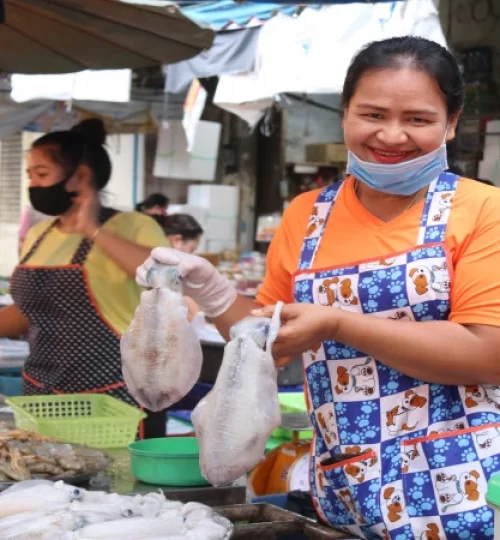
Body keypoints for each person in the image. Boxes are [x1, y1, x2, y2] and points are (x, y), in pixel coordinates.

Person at [138, 36, 500, 538]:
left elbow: (488, 354)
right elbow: (267, 342)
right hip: (347, 489)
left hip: (465, 487)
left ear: (451, 123)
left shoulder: (483, 211)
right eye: (372, 114)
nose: (392, 136)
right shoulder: (307, 215)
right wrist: (214, 292)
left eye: (418, 119)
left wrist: (337, 322)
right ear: (344, 112)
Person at [2, 119, 169, 438]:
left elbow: (165, 278)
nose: (33, 184)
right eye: (30, 175)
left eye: (42, 174)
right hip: (43, 396)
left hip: (114, 398)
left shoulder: (133, 226)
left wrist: (93, 229)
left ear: (79, 176)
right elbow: (32, 313)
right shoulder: (39, 234)